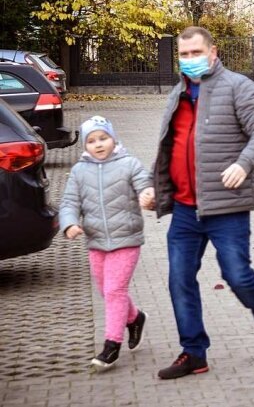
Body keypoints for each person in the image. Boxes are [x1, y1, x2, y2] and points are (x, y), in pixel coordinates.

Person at [152, 26, 254, 380]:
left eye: (196, 53)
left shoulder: (237, 86)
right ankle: (193, 352)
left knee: (237, 275)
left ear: (212, 53)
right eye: (184, 55)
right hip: (184, 209)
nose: (190, 60)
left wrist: (243, 164)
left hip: (226, 206)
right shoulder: (176, 94)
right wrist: (157, 189)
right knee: (179, 279)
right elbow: (171, 148)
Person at [59, 116, 154, 371]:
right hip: (96, 241)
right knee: (106, 290)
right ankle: (135, 318)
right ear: (85, 145)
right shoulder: (79, 171)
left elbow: (144, 183)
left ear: (113, 138)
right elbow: (69, 202)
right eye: (91, 140)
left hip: (127, 239)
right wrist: (69, 223)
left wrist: (148, 195)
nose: (98, 144)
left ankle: (112, 345)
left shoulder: (129, 163)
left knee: (114, 290)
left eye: (103, 138)